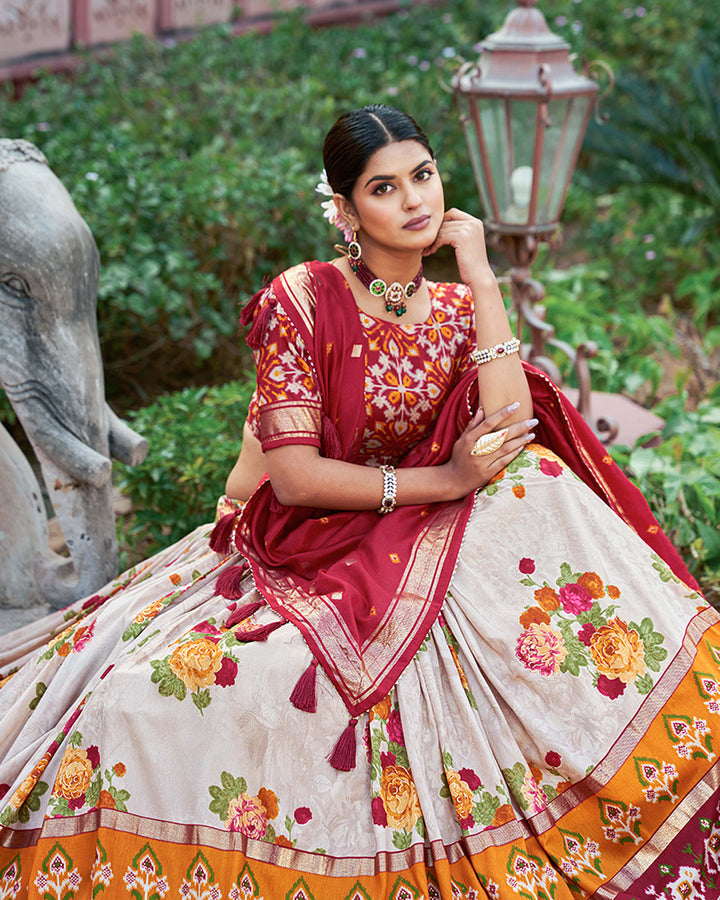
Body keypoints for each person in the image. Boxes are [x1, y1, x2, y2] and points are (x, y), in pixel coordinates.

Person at [0, 104, 716, 900]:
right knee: (148, 698)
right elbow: (297, 478)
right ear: (345, 211)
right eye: (384, 187)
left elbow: (509, 425)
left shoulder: (450, 308)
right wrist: (440, 483)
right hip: (293, 536)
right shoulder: (302, 299)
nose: (414, 199)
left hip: (403, 535)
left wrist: (480, 276)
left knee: (534, 479)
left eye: (424, 175)